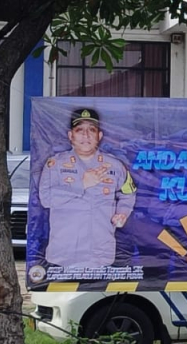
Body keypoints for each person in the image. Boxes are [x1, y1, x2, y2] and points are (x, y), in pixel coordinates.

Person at [37, 108, 136, 271]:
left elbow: (128, 193)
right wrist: (81, 185)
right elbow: (46, 199)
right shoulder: (55, 165)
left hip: (101, 254)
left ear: (100, 136)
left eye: (92, 130)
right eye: (79, 130)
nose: (86, 135)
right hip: (63, 256)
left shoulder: (116, 166)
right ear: (71, 136)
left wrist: (123, 212)